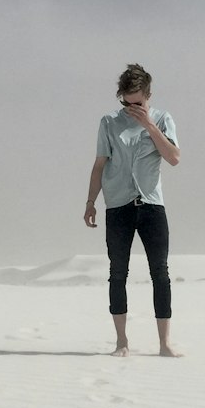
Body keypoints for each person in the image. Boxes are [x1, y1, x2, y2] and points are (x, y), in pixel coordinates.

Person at [84, 63, 181, 357]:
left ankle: (164, 344)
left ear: (148, 95)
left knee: (160, 273)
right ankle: (121, 342)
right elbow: (100, 164)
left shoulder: (163, 119)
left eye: (138, 102)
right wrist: (90, 202)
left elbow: (174, 157)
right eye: (127, 102)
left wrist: (149, 124)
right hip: (118, 206)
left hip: (151, 205)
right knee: (117, 273)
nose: (132, 107)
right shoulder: (109, 122)